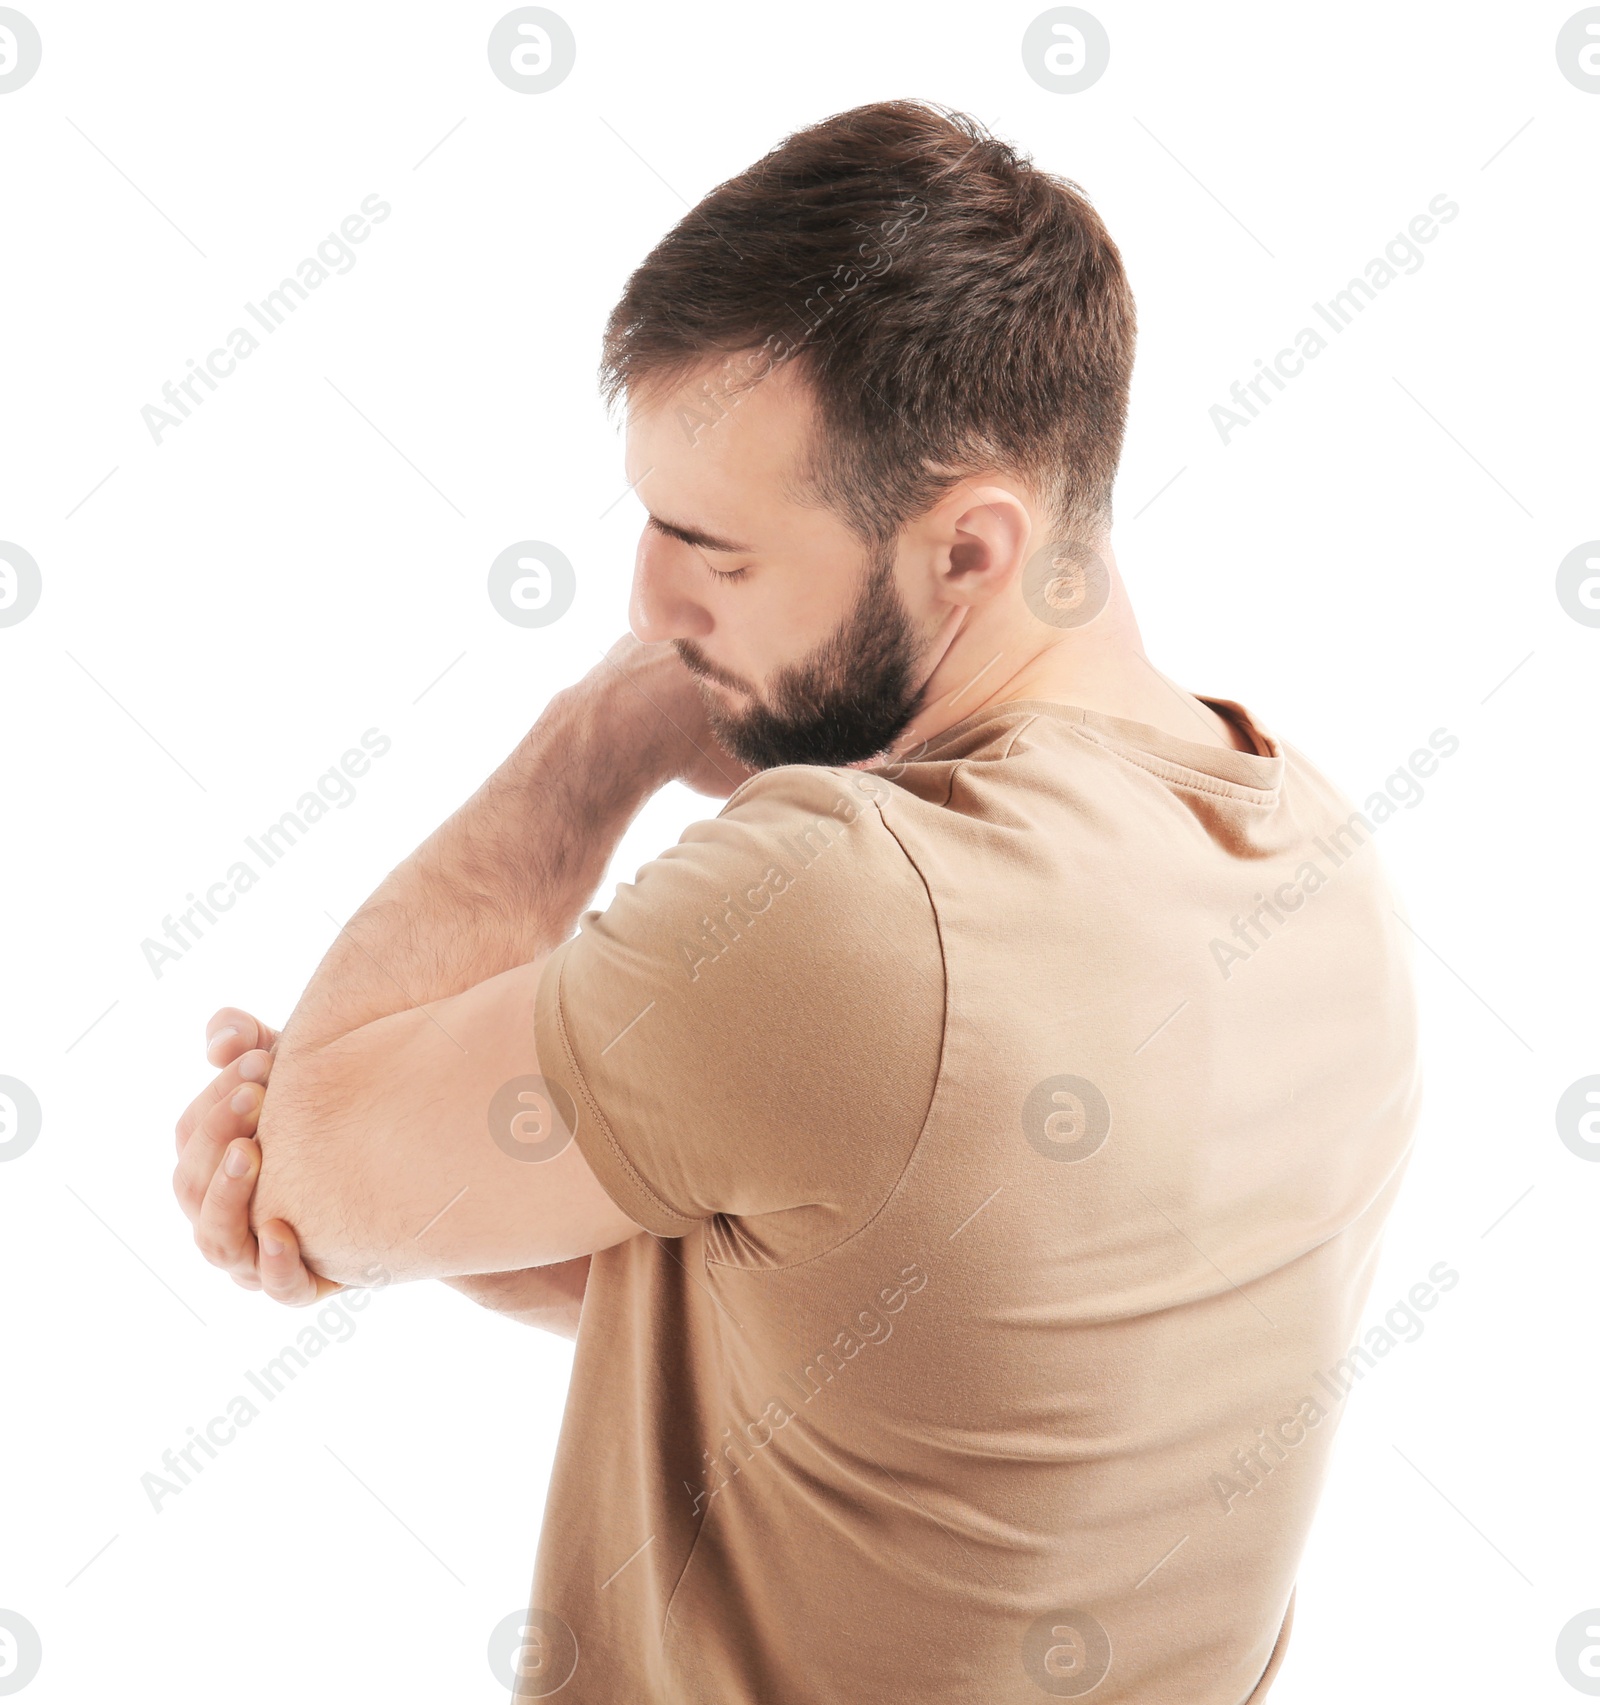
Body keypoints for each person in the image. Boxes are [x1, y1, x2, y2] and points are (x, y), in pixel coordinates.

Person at [171, 99, 1419, 1703]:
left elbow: (321, 1162)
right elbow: (868, 1318)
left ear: (969, 549)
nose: (646, 602)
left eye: (717, 554)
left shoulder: (855, 902)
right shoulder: (1319, 865)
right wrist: (444, 1184)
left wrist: (603, 736)